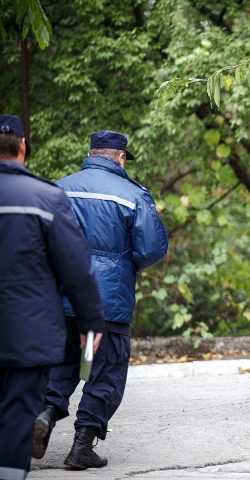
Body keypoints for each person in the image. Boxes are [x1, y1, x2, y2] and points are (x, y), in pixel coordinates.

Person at [32, 130, 168, 469]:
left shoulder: (57, 188)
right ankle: (81, 446)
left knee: (66, 361)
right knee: (104, 368)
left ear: (92, 153)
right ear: (120, 158)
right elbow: (152, 248)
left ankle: (46, 413)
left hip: (61, 299)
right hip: (108, 300)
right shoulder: (133, 195)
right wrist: (126, 263)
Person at [0, 114, 105, 480]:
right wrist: (91, 324)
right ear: (23, 147)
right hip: (25, 337)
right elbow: (76, 269)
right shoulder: (46, 198)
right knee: (15, 417)